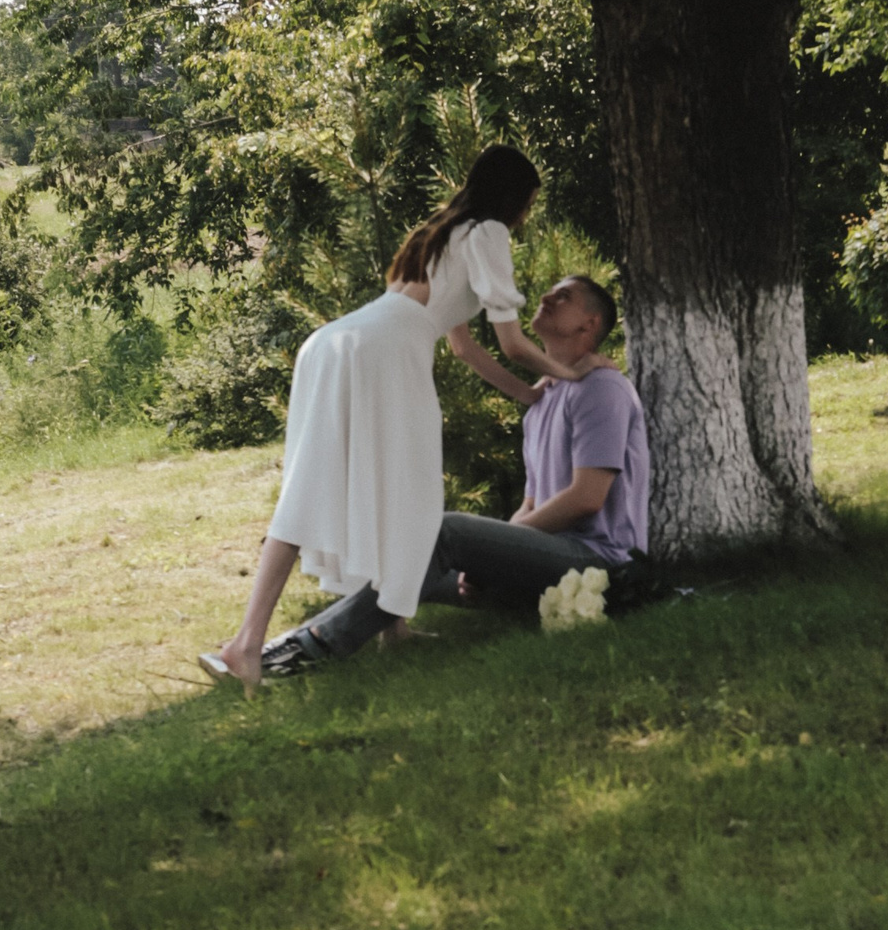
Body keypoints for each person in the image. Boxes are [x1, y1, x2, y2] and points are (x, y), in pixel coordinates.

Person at [198, 143, 574, 692]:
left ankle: (387, 628)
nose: (526, 215)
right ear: (513, 198)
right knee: (405, 492)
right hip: (385, 352)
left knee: (337, 489)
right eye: (529, 203)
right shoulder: (488, 232)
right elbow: (512, 342)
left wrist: (530, 396)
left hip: (337, 342)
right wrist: (573, 374)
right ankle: (246, 645)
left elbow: (464, 347)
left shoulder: (440, 232)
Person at [259, 271, 649, 673]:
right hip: (548, 564)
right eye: (551, 292)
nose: (547, 298)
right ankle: (296, 644)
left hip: (598, 562)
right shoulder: (543, 396)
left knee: (444, 534)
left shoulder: (602, 388)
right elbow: (531, 502)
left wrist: (489, 557)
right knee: (408, 559)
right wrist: (491, 559)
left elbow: (586, 498)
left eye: (563, 296)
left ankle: (314, 644)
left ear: (589, 324)